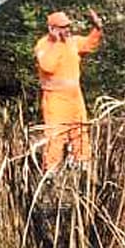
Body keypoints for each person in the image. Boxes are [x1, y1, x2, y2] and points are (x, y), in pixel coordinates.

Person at [35, 9, 104, 172]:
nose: (67, 29)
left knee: (80, 130)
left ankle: (82, 164)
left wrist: (97, 28)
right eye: (62, 27)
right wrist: (56, 42)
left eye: (67, 26)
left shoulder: (72, 42)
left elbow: (89, 44)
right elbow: (48, 66)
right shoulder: (43, 45)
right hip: (55, 99)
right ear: (52, 28)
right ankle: (51, 170)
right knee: (56, 135)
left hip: (74, 97)